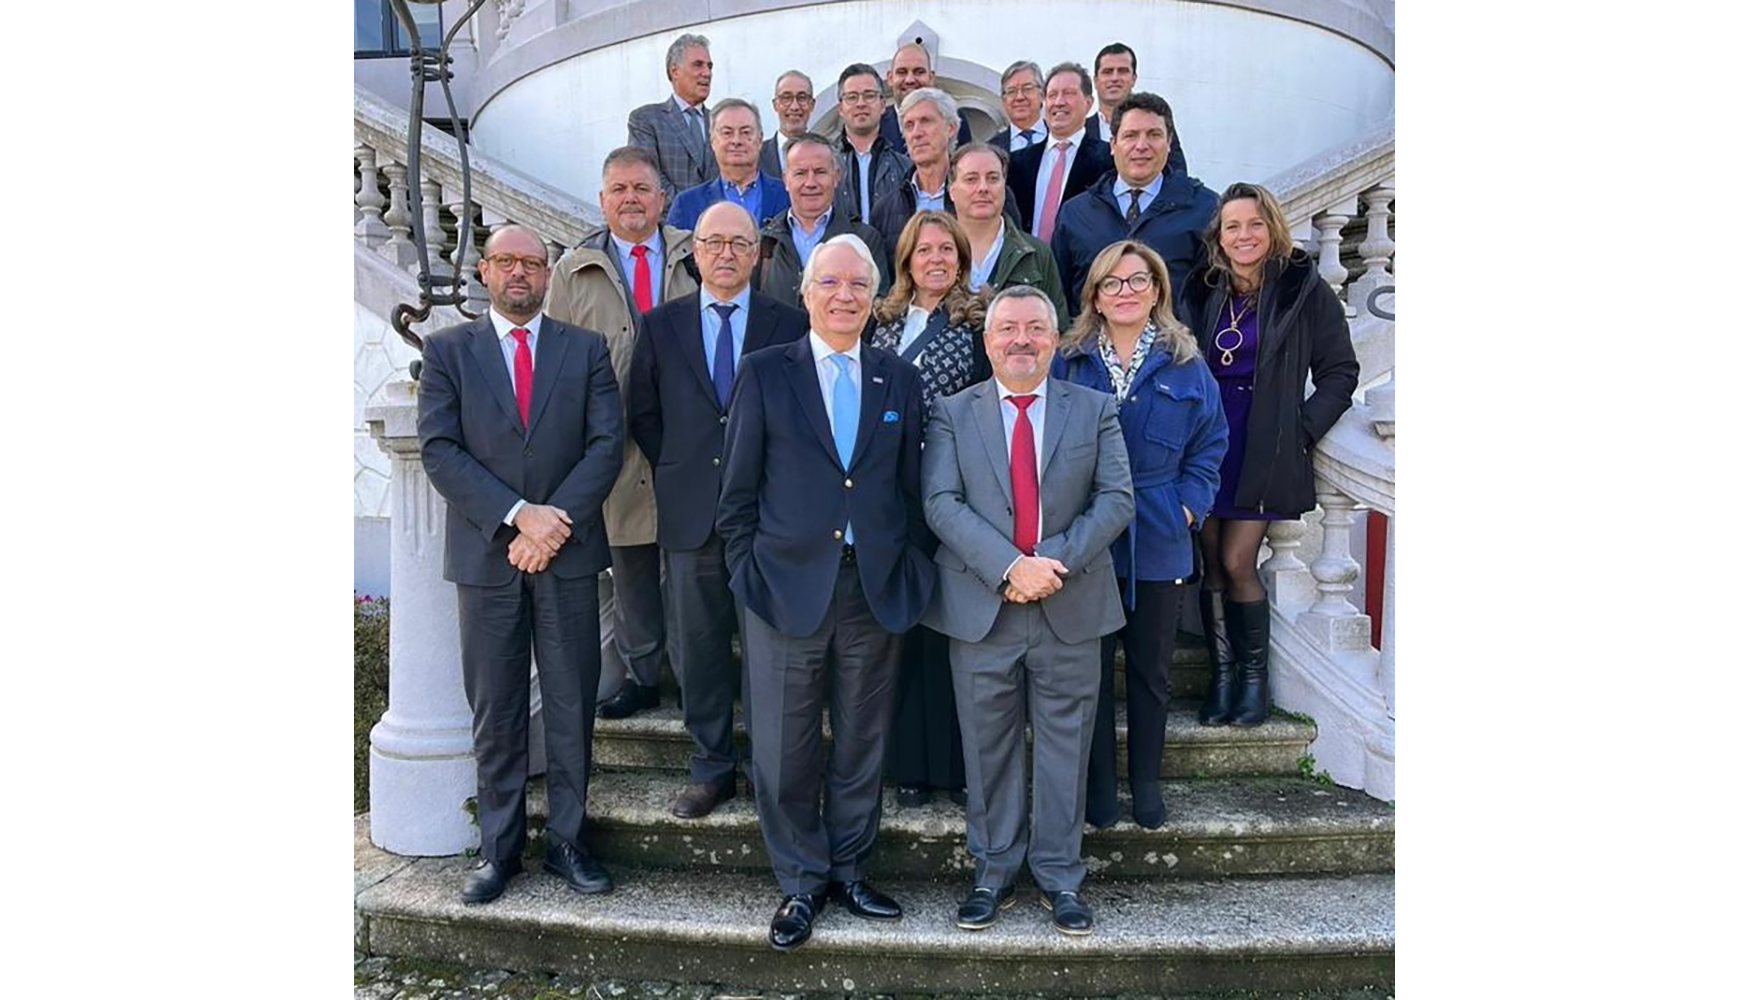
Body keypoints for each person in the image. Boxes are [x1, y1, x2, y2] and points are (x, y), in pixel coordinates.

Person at [717, 234, 935, 952]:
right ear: (806, 292)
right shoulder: (765, 372)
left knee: (862, 741)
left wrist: (909, 568)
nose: (844, 296)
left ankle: (849, 868)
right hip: (783, 588)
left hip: (871, 589)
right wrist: (749, 570)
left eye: (858, 286)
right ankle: (802, 882)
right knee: (783, 748)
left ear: (874, 300)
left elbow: (909, 489)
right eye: (830, 283)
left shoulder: (897, 378)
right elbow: (738, 492)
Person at [416, 224, 623, 904]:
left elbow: (605, 445)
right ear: (483, 270)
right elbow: (440, 449)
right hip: (489, 557)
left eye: (533, 263)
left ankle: (568, 842)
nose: (520, 274)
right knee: (497, 709)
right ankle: (498, 850)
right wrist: (516, 515)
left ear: (548, 274)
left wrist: (551, 522)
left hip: (563, 556)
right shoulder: (449, 351)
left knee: (569, 706)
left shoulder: (584, 349)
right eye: (506, 261)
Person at [920, 284, 1134, 936]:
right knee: (987, 748)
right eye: (1007, 328)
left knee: (1066, 748)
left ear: (1054, 338)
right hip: (983, 607)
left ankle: (1061, 876)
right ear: (988, 341)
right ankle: (991, 870)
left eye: (1034, 328)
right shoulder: (953, 413)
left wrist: (1048, 567)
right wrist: (1010, 567)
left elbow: (1117, 499)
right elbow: (941, 502)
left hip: (1070, 603)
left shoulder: (1093, 408)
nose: (1020, 339)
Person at [627, 202, 810, 819]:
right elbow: (644, 416)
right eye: (714, 242)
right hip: (691, 515)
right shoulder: (659, 325)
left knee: (770, 648)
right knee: (698, 647)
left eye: (740, 242)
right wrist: (685, 471)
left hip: (768, 516)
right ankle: (711, 767)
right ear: (694, 252)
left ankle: (769, 768)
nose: (726, 253)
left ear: (758, 254)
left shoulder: (789, 324)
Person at [1051, 241, 1228, 830]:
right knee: (1091, 671)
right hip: (1087, 536)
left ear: (1156, 290)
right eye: (1112, 283)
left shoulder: (1185, 363)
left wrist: (1188, 507)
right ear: (1094, 296)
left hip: (1157, 530)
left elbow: (1212, 442)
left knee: (1152, 671)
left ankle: (1146, 783)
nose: (1125, 292)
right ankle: (1099, 787)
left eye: (1137, 281)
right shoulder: (1069, 360)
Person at [1181, 182, 1358, 727]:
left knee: (1238, 561)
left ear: (1272, 228)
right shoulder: (1204, 288)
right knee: (1209, 562)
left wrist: (1300, 429)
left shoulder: (1302, 288)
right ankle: (1224, 679)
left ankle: (1253, 683)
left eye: (1254, 224)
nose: (1244, 236)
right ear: (1219, 235)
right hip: (1207, 438)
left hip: (1263, 439)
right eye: (1232, 226)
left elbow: (1339, 370)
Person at [547, 147, 700, 721]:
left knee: (691, 570)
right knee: (631, 565)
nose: (631, 199)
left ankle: (697, 677)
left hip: (687, 440)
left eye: (642, 188)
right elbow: (559, 361)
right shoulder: (574, 269)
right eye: (620, 190)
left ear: (662, 198)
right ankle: (642, 676)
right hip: (613, 444)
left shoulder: (695, 255)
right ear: (602, 199)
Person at [867, 210, 992, 808]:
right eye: (925, 250)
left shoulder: (979, 325)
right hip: (889, 495)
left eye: (948, 250)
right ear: (907, 260)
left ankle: (954, 766)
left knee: (952, 634)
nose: (936, 259)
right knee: (903, 630)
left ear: (962, 260)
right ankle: (909, 766)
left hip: (954, 492)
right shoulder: (880, 321)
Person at [1051, 91, 1216, 319]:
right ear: (1113, 144)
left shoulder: (1205, 209)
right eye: (1130, 135)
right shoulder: (1075, 213)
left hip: (1174, 352)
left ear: (1169, 143)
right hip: (1091, 352)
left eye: (1154, 135)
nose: (1142, 145)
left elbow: (1215, 298)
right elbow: (1060, 299)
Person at [754, 132, 891, 307]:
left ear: (836, 176)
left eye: (820, 172)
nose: (810, 183)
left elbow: (875, 307)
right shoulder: (764, 242)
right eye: (800, 173)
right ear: (786, 180)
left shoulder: (864, 239)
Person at [948, 144, 1070, 330]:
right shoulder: (933, 254)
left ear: (1004, 186)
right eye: (971, 179)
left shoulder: (1036, 253)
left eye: (993, 178)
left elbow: (1057, 331)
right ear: (952, 190)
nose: (983, 188)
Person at [1007, 63, 1114, 243]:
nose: (1059, 102)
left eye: (1068, 93)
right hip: (1027, 265)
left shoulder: (1108, 160)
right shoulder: (1018, 162)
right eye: (1052, 95)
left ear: (1088, 103)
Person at [668, 98, 790, 231]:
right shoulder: (687, 204)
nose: (736, 140)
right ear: (712, 141)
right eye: (727, 133)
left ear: (760, 139)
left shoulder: (788, 195)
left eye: (745, 132)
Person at [868, 87, 959, 260]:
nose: (917, 133)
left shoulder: (980, 194)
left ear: (951, 128)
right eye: (909, 125)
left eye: (926, 121)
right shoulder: (884, 210)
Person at [627, 34, 718, 204]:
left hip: (719, 225)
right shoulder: (646, 120)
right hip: (671, 224)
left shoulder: (721, 123)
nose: (707, 73)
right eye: (698, 65)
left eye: (709, 66)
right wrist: (687, 209)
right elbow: (647, 176)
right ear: (674, 71)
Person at [1089, 42, 1189, 174]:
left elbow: (1177, 174)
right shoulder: (1081, 131)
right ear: (1095, 80)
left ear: (1134, 79)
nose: (1115, 78)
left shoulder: (1158, 126)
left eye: (1122, 71)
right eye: (1107, 72)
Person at [834, 63, 911, 225]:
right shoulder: (825, 165)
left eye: (869, 95)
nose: (861, 103)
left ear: (883, 105)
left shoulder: (905, 167)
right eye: (852, 97)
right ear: (840, 108)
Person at [877, 41, 974, 150]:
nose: (910, 80)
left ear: (931, 78)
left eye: (919, 72)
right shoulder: (876, 124)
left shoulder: (953, 118)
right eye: (902, 72)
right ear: (890, 78)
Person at [760, 70, 816, 177]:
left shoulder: (829, 153)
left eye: (802, 98)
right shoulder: (756, 156)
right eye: (786, 98)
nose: (794, 106)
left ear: (812, 104)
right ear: (775, 104)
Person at [988, 60, 1047, 152]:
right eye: (1011, 91)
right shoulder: (991, 149)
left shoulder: (1063, 137)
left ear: (1042, 94)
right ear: (1004, 100)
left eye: (1027, 89)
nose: (1019, 97)